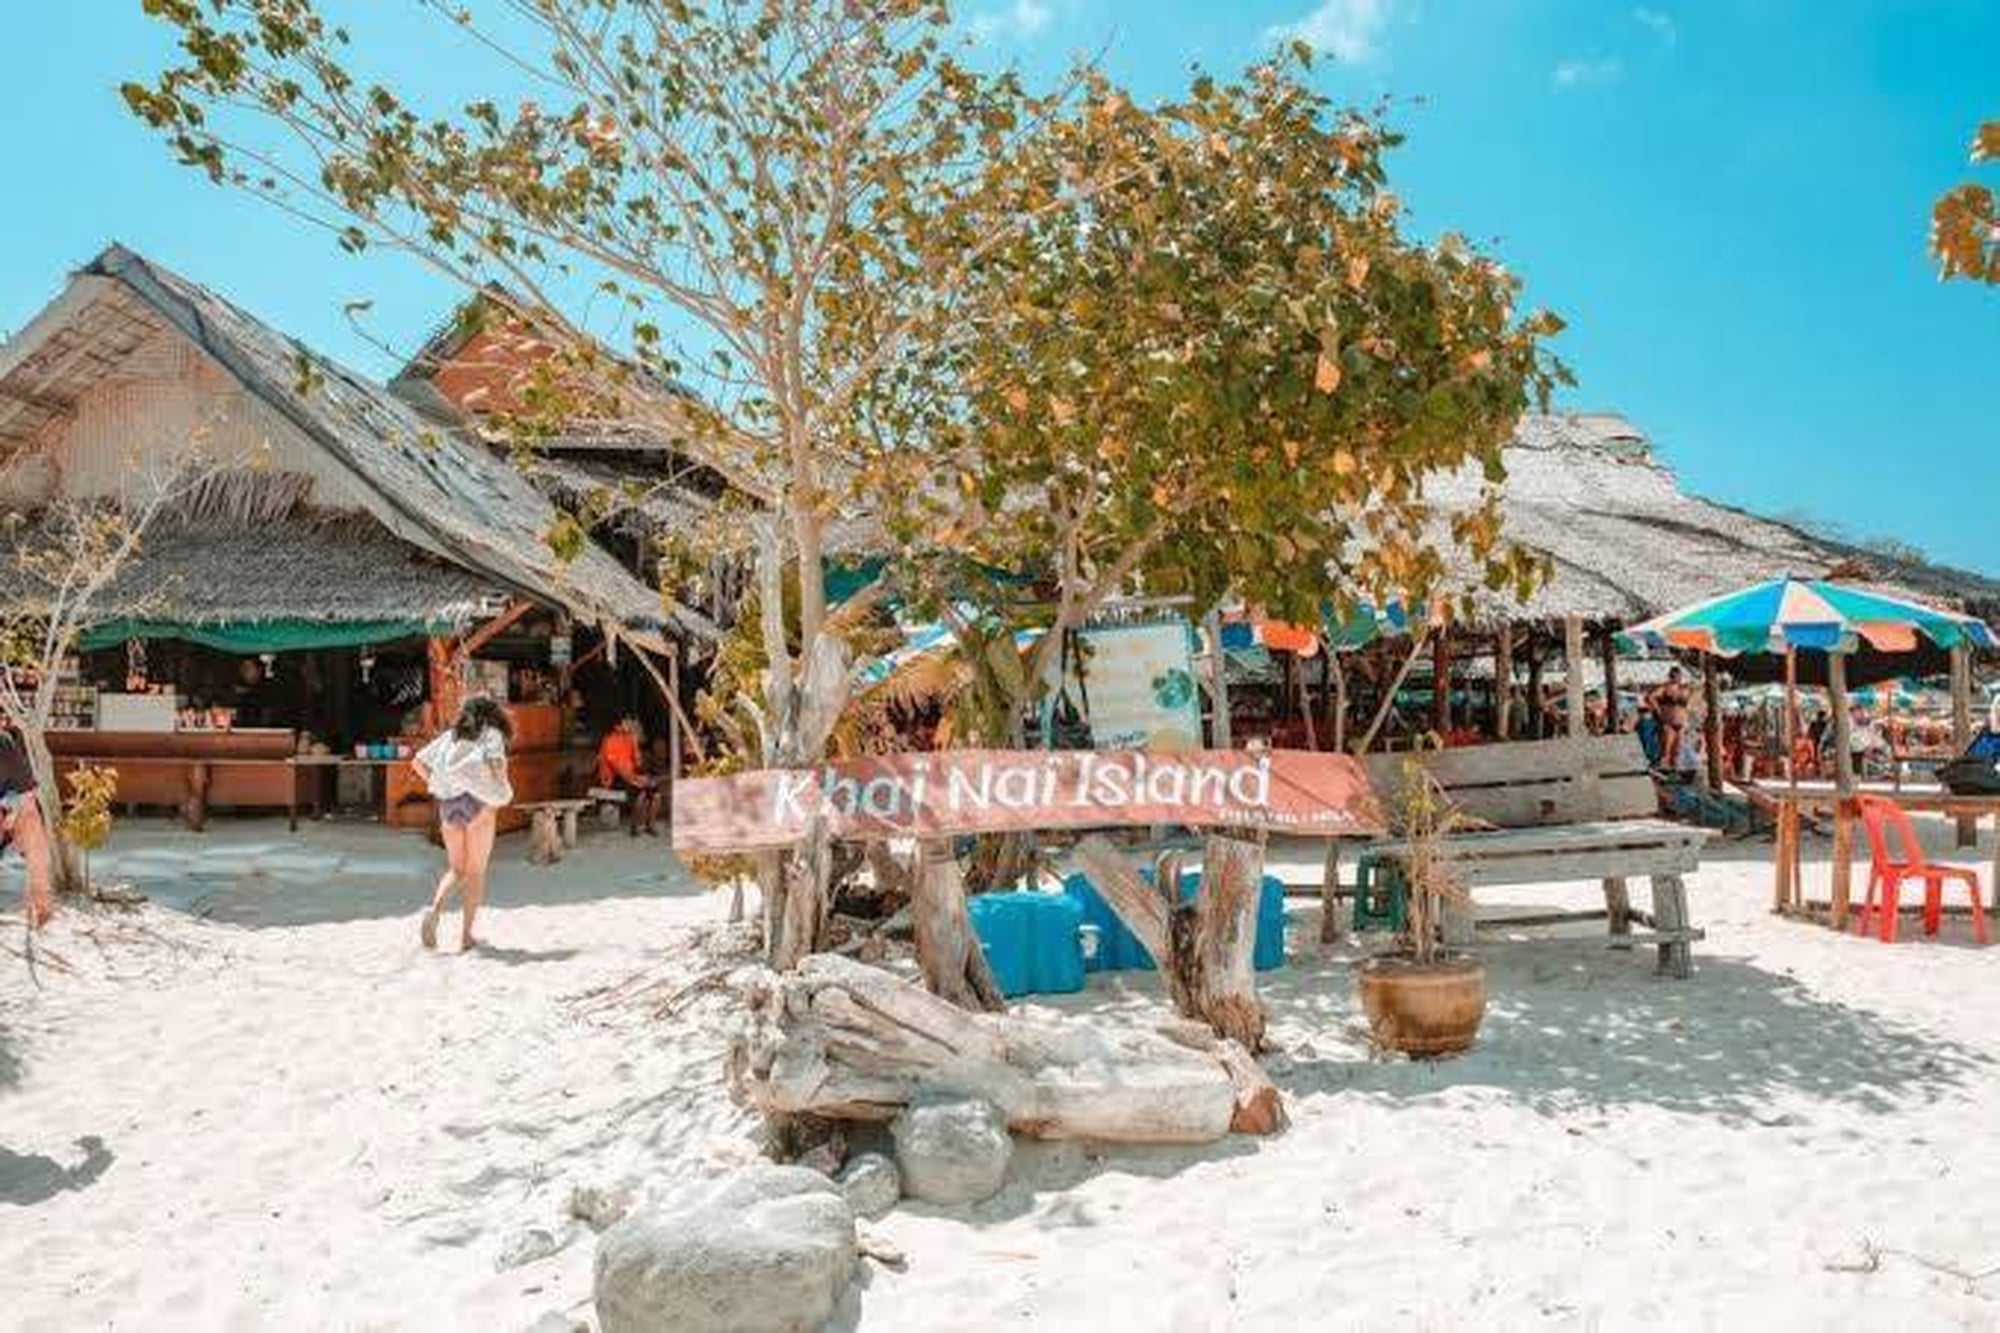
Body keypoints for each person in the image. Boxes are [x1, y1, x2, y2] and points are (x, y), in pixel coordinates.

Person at [412, 696, 513, 951]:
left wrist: (437, 784)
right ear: (492, 714)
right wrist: (498, 788)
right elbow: (497, 766)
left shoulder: (450, 736)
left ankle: (434, 911)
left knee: (457, 869)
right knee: (475, 873)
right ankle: (466, 936)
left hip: (448, 805)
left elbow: (417, 762)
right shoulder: (491, 733)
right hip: (478, 803)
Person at [0, 728, 54, 930]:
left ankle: (40, 898)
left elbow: (26, 796)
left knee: (30, 820)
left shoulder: (3, 744)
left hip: (10, 809)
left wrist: (12, 811)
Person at [595, 715, 662, 835]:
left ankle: (650, 825)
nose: (630, 725)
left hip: (630, 776)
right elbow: (617, 768)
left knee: (656, 794)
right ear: (618, 726)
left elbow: (638, 764)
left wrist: (635, 742)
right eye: (627, 722)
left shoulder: (629, 738)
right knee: (641, 793)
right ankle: (635, 826)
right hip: (612, 779)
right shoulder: (609, 740)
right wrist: (635, 779)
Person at [1646, 667, 1693, 771]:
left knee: (1677, 749)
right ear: (1670, 676)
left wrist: (1687, 716)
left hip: (1680, 722)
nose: (1676, 678)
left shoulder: (1683, 689)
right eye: (1674, 676)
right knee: (1666, 749)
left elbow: (1689, 703)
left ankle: (1673, 769)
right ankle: (1664, 768)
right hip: (1668, 722)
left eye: (1678, 676)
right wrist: (1658, 711)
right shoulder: (1665, 688)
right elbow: (1650, 697)